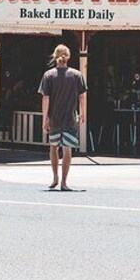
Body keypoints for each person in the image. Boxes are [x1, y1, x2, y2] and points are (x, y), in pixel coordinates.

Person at [38, 44, 87, 191]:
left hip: (54, 118)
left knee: (53, 148)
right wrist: (83, 112)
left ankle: (55, 177)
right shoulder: (77, 75)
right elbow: (82, 96)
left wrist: (44, 118)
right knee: (67, 150)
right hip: (70, 118)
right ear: (69, 57)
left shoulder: (49, 75)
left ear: (55, 56)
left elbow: (45, 98)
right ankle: (64, 182)